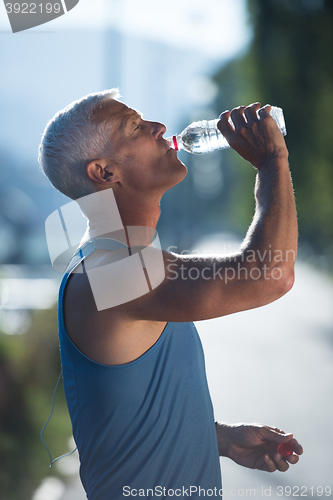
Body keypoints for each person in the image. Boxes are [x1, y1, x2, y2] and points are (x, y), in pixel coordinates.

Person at [39, 89, 302, 499]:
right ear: (105, 172)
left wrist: (218, 438)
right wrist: (272, 161)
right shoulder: (112, 273)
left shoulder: (126, 263)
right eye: (137, 128)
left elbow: (127, 414)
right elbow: (271, 275)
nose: (160, 128)